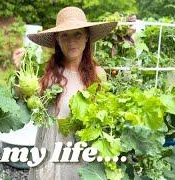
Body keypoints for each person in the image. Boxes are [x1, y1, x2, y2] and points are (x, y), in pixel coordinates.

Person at [26, 6, 117, 180]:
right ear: (57, 41)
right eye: (64, 36)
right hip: (52, 154)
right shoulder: (50, 76)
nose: (71, 41)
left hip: (83, 155)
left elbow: (105, 115)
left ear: (87, 37)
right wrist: (20, 72)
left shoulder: (98, 75)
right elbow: (27, 98)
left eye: (78, 34)